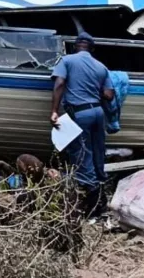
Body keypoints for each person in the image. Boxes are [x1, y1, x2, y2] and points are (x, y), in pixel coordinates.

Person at [50, 32, 115, 217]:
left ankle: (94, 209)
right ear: (91, 49)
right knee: (97, 153)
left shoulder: (67, 60)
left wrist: (54, 111)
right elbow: (109, 95)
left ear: (75, 46)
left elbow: (60, 83)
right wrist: (92, 89)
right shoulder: (101, 67)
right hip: (98, 113)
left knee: (82, 155)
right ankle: (102, 194)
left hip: (80, 113)